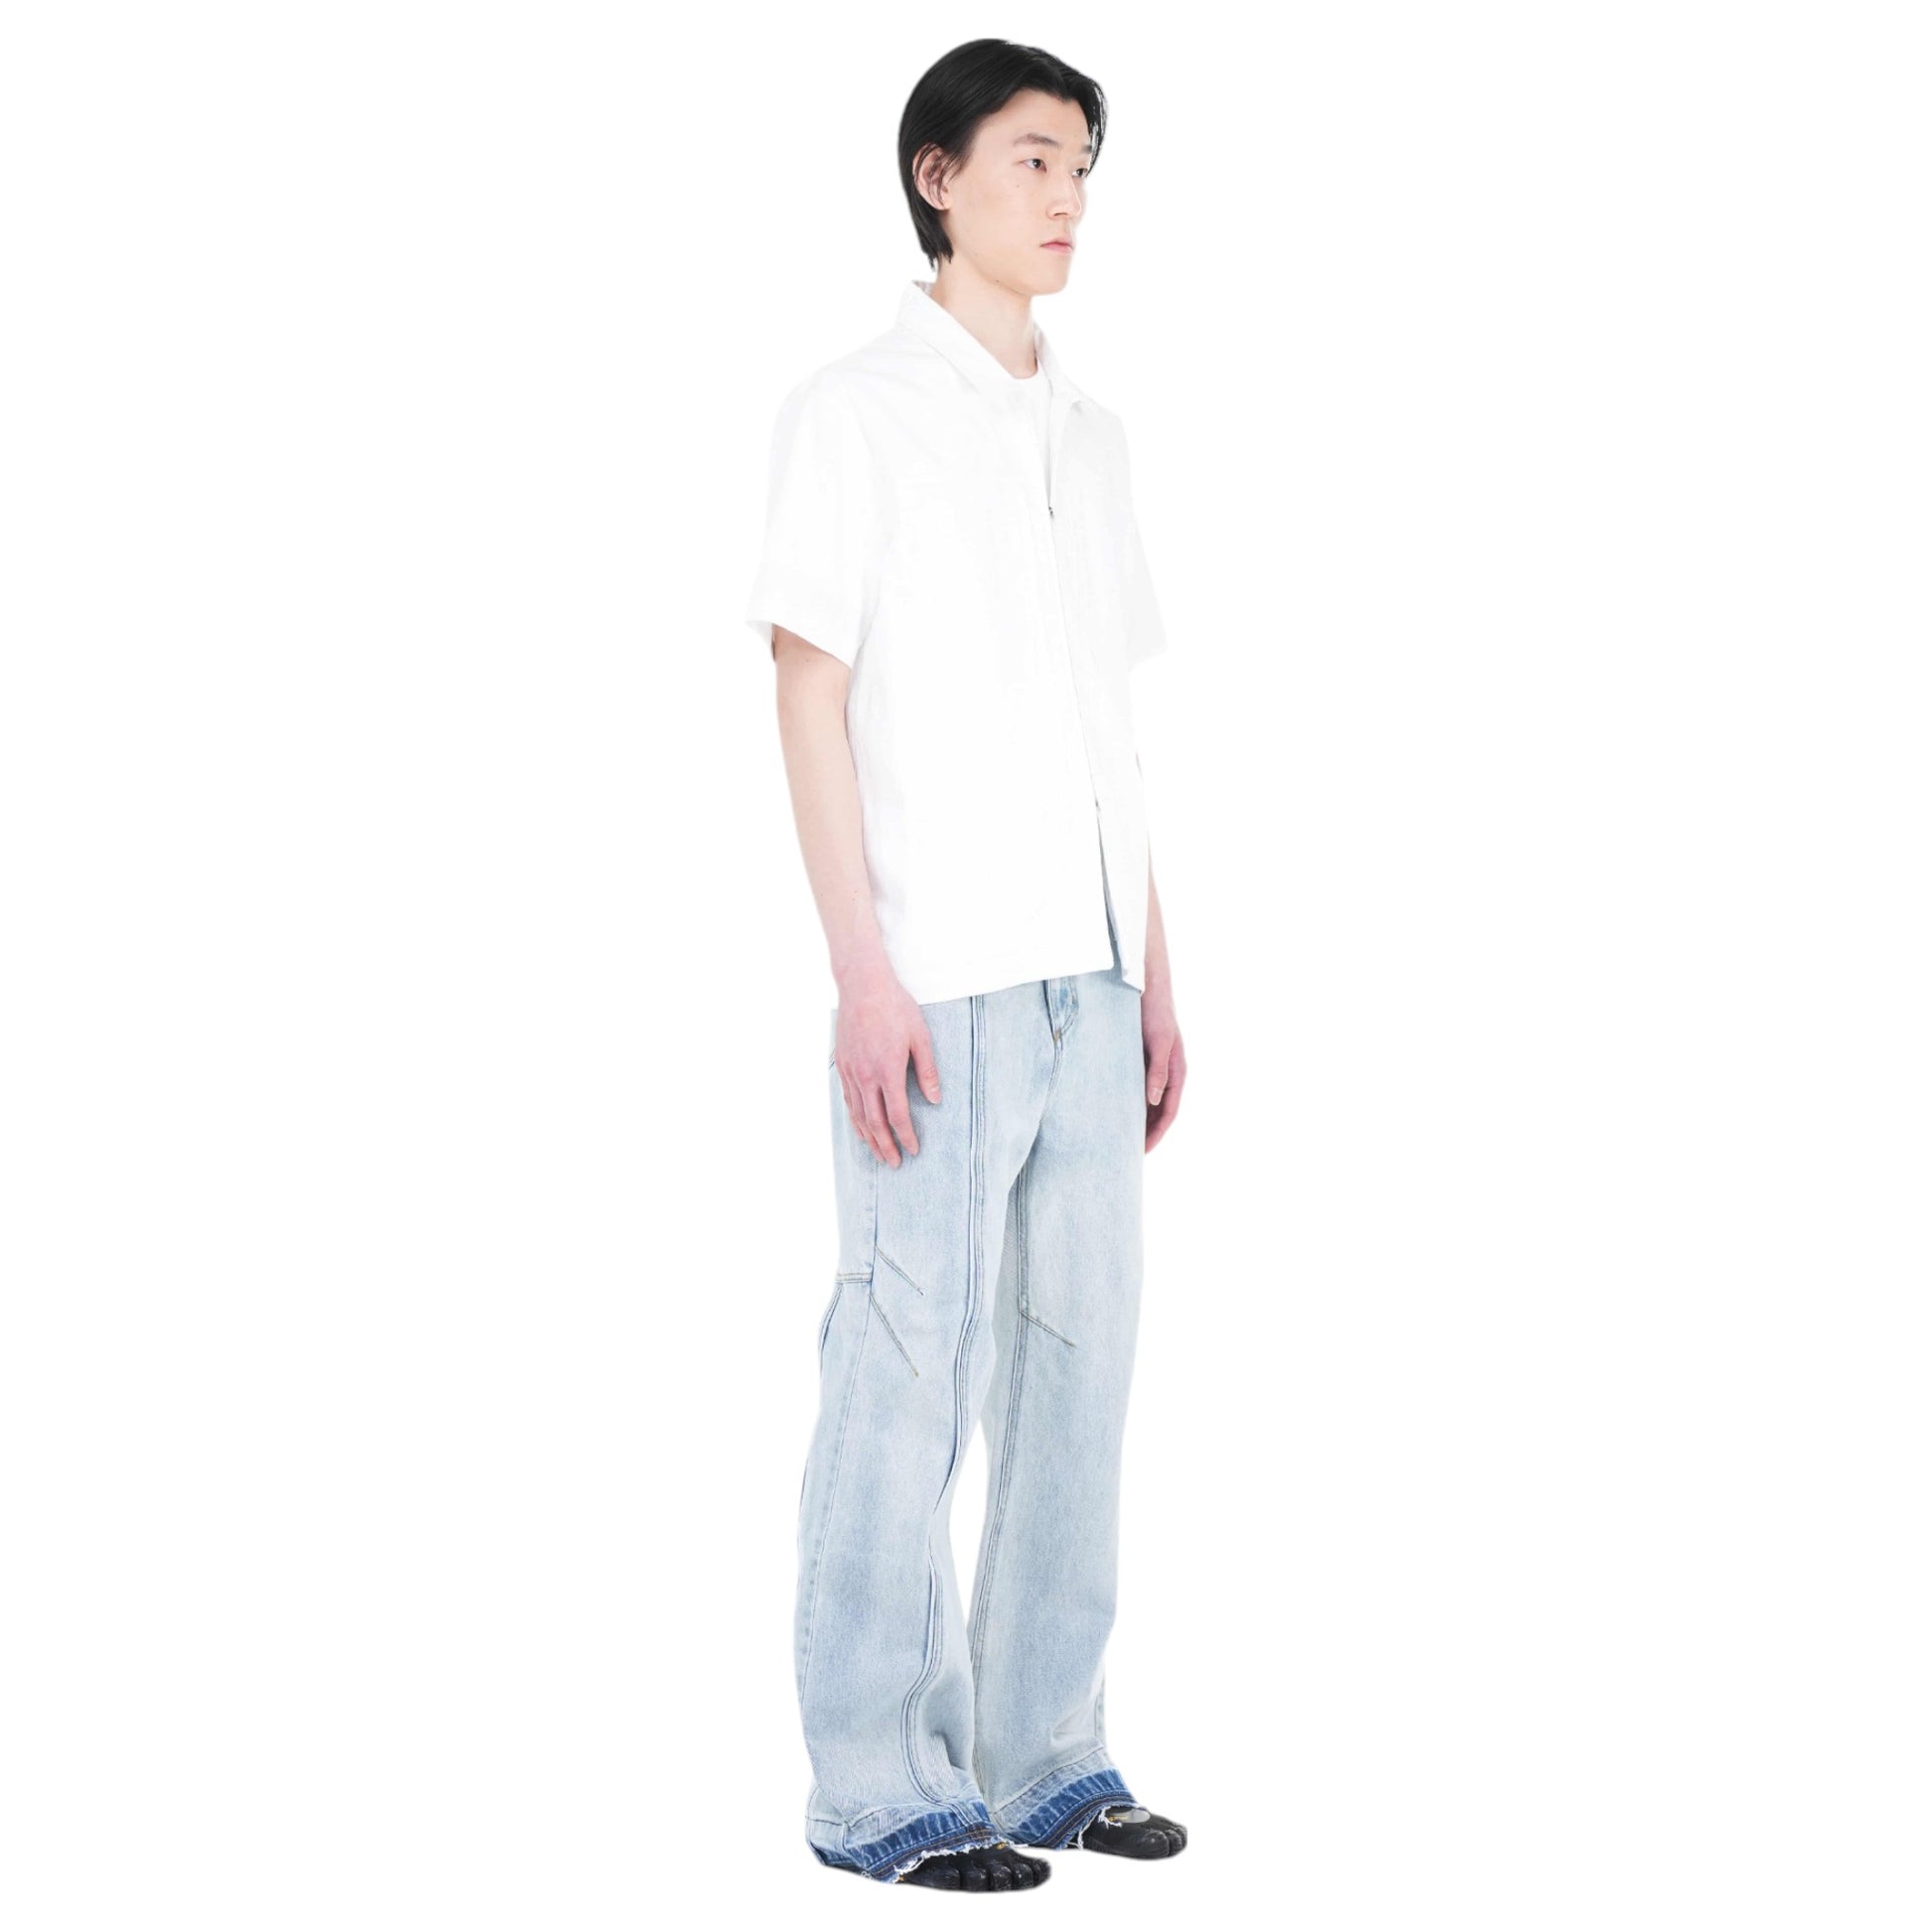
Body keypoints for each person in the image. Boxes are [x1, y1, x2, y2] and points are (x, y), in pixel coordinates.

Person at [744, 39, 1188, 1892]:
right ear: (936, 177)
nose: (1066, 195)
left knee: (1077, 1368)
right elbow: (808, 691)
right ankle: (873, 1779)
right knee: (904, 1361)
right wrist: (862, 970)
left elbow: (1108, 730)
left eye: (1081, 163)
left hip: (1091, 971)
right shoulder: (853, 413)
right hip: (934, 975)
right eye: (1030, 159)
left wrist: (1156, 967)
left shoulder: (1092, 435)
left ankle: (1045, 1749)